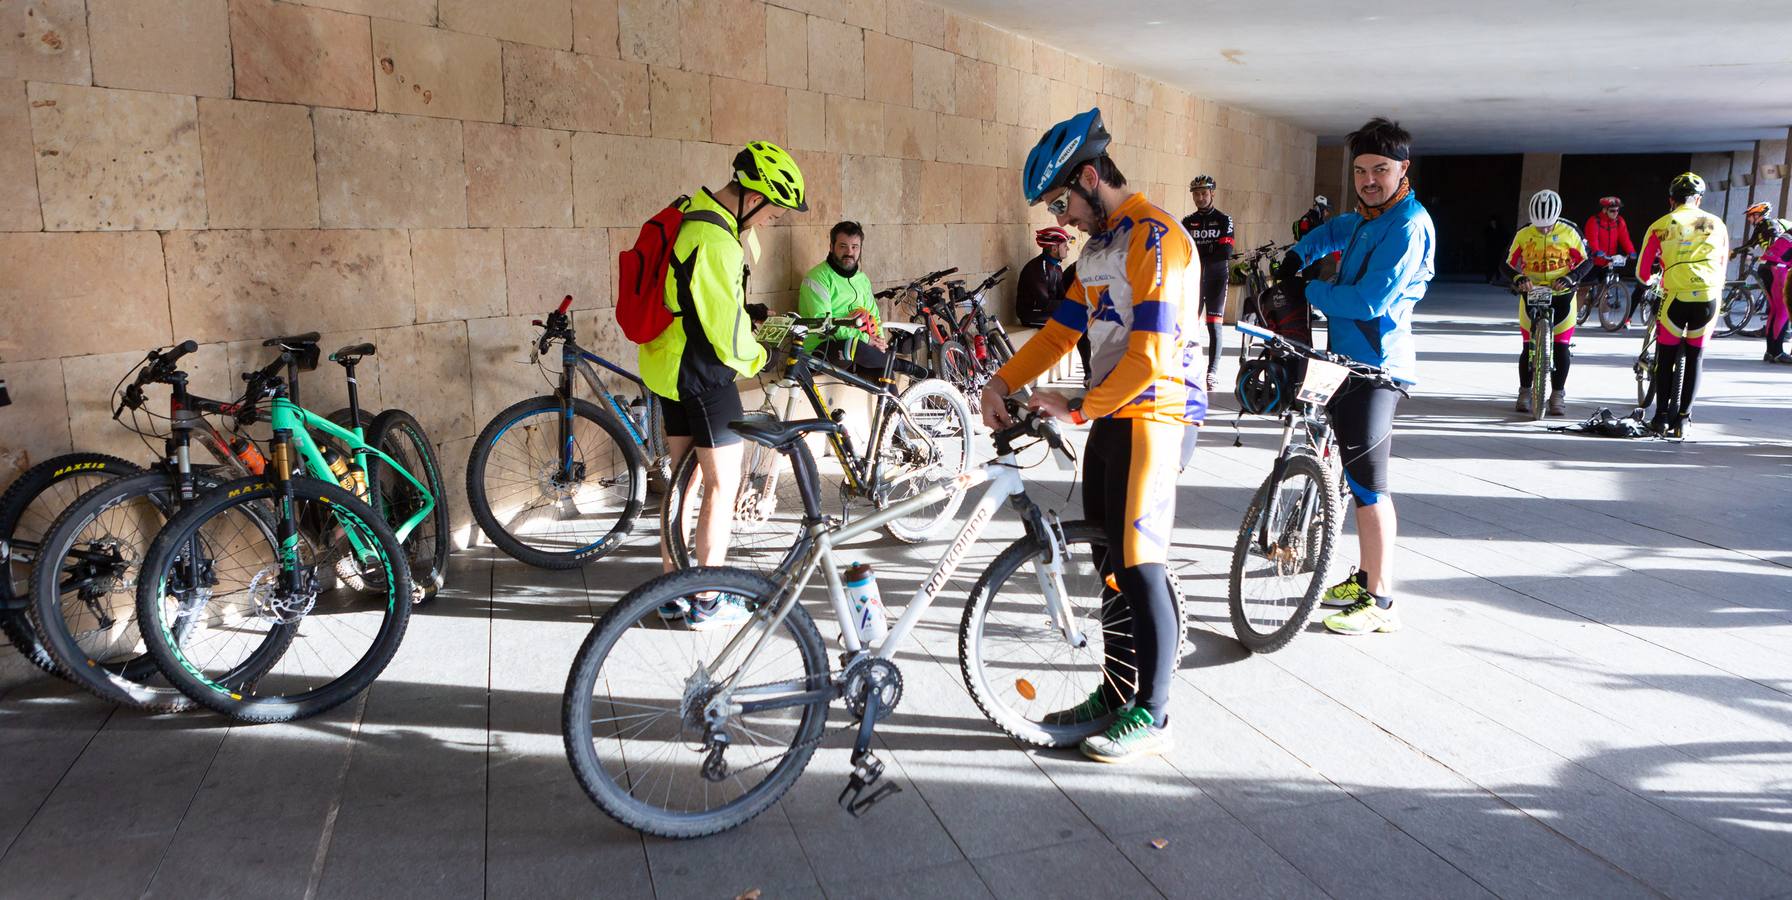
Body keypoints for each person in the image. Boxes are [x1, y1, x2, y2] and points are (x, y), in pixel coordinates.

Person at [980, 108, 1205, 764]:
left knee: (1138, 562)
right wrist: (1000, 381)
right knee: (1111, 566)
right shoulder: (1101, 249)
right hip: (1116, 414)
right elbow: (1058, 333)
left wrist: (1075, 408)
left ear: (1087, 176)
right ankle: (1115, 694)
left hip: (1159, 414)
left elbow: (1151, 357)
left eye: (1062, 200)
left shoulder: (1156, 239)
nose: (1063, 217)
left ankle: (1155, 713)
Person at [1278, 117, 1435, 637]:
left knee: (1369, 486)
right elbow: (1334, 230)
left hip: (1378, 368)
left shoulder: (1407, 225)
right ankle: (1364, 573)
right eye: (1362, 170)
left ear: (1403, 169)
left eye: (1381, 170)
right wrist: (1296, 256)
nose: (1369, 179)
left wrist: (1308, 291)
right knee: (1345, 470)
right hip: (1343, 362)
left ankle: (1381, 599)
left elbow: (1370, 301)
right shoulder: (1370, 216)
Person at [640, 140, 806, 627]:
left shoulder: (692, 214)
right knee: (721, 484)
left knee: (684, 481)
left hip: (669, 367)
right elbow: (726, 335)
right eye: (774, 211)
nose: (772, 221)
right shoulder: (717, 240)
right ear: (754, 198)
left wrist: (743, 310)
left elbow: (697, 296)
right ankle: (709, 600)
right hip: (704, 373)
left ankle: (671, 593)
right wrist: (763, 354)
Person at [1636, 172, 1729, 436]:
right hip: (1709, 296)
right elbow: (1723, 266)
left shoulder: (1659, 225)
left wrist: (1654, 278)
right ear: (1698, 200)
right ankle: (1684, 421)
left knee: (1665, 359)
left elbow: (1643, 274)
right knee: (1696, 357)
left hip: (1675, 295)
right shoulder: (1717, 224)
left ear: (1671, 200)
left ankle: (1662, 417)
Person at [1504, 189, 1594, 417]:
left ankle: (1557, 394)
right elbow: (1505, 263)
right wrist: (1518, 278)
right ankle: (1524, 391)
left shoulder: (1570, 231)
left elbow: (1587, 260)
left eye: (1548, 226)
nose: (1543, 229)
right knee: (1527, 346)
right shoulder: (1523, 234)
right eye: (1539, 226)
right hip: (1532, 292)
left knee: (1562, 346)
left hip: (1562, 292)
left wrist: (1571, 277)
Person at [797, 221, 925, 378]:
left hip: (860, 351)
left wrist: (879, 341)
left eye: (855, 247)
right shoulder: (817, 278)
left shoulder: (862, 279)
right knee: (854, 346)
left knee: (885, 376)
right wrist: (866, 339)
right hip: (820, 350)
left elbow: (874, 316)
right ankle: (902, 365)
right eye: (843, 246)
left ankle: (893, 402)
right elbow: (823, 324)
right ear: (831, 247)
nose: (849, 252)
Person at [1181, 175, 1235, 392]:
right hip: (1193, 281)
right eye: (1196, 194)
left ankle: (1211, 373)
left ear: (1212, 193)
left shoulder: (1224, 220)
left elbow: (1226, 251)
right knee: (1188, 326)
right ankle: (1186, 368)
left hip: (1216, 278)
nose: (1200, 198)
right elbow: (1183, 250)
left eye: (1204, 193)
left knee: (1214, 326)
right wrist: (1210, 249)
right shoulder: (1187, 221)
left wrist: (1201, 252)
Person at [1735, 202, 1791, 362]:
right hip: (1778, 269)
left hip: (1766, 267)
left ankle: (1771, 352)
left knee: (1775, 310)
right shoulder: (1770, 225)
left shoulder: (1774, 226)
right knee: (1782, 311)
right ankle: (1778, 353)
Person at [1016, 226, 1074, 327]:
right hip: (1032, 315)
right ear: (1054, 248)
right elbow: (1044, 303)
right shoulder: (1036, 269)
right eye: (1065, 245)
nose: (1068, 248)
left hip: (1046, 312)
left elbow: (1062, 295)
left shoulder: (1057, 267)